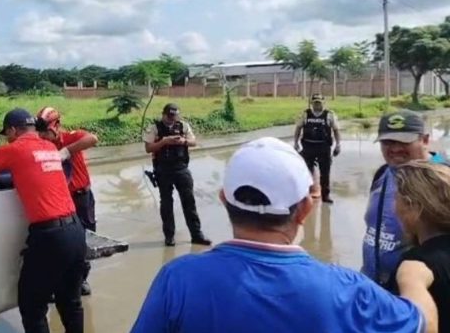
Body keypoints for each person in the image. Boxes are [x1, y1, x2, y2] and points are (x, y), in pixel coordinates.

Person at [131, 137, 439, 333]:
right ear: (306, 207)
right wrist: (413, 279)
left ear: (224, 199)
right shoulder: (347, 289)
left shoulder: (178, 278)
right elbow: (423, 324)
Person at [0, 108, 86, 333]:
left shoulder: (14, 149)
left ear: (13, 130)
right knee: (70, 302)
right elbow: (21, 177)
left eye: (6, 133)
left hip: (50, 237)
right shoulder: (48, 148)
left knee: (32, 306)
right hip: (76, 231)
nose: (7, 137)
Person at [362, 110, 447, 286]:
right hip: (373, 286)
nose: (395, 149)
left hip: (416, 290)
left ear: (424, 140)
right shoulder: (383, 173)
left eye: (403, 142)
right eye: (387, 142)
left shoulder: (442, 177)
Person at [36, 106, 99, 296]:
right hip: (60, 201)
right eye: (40, 132)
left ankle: (81, 279)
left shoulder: (70, 137)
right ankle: (60, 280)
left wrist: (66, 151)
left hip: (81, 196)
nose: (43, 136)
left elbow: (92, 139)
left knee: (85, 238)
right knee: (61, 241)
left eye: (46, 131)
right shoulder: (41, 144)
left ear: (57, 126)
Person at [387, 161, 450, 333]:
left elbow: (422, 325)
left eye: (396, 199)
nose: (394, 208)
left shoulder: (414, 265)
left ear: (413, 206)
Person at [143, 103, 210, 247]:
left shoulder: (183, 126)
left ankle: (197, 235)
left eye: (174, 116)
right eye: (169, 116)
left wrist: (184, 141)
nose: (171, 119)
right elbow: (148, 148)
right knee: (166, 204)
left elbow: (194, 142)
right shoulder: (154, 128)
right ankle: (169, 237)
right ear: (163, 114)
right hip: (163, 169)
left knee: (189, 202)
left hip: (181, 169)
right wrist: (164, 141)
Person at [293, 93, 341, 203]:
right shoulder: (305, 114)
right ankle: (305, 195)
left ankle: (325, 196)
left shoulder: (329, 115)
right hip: (308, 147)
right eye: (315, 103)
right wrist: (295, 143)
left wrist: (338, 145)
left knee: (325, 173)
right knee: (306, 172)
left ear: (323, 103)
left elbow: (336, 130)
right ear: (312, 103)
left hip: (324, 147)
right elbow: (298, 128)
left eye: (319, 103)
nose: (317, 105)